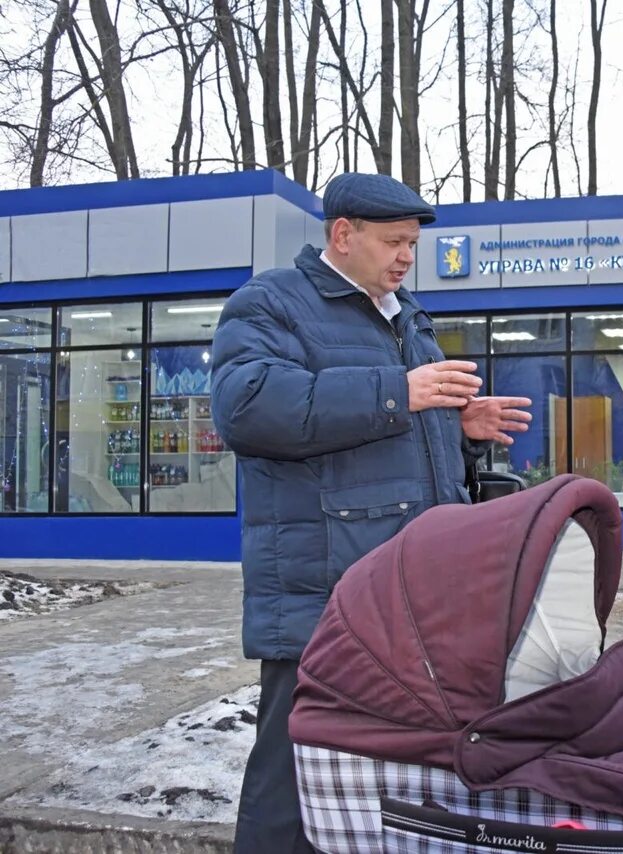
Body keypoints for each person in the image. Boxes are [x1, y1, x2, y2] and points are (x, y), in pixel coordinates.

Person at [211, 173, 532, 854]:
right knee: (290, 793)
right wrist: (398, 393)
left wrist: (458, 426)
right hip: (322, 603)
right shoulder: (272, 303)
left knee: (379, 792)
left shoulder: (406, 318)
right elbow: (247, 408)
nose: (406, 257)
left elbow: (403, 427)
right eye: (394, 242)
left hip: (413, 603)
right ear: (342, 235)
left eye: (412, 244)